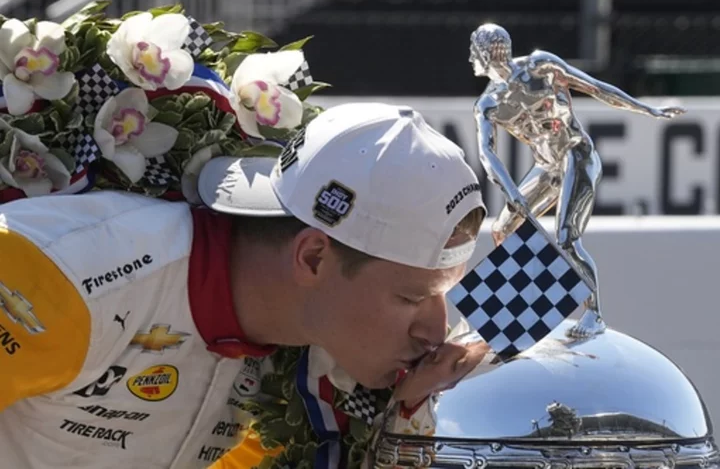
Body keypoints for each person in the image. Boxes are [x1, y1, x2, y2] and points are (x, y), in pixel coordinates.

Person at [0, 101, 490, 468]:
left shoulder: (330, 352)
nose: (436, 328)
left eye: (443, 292)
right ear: (313, 257)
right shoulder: (54, 270)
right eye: (411, 297)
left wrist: (412, 423)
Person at [469, 23, 685, 338]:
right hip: (547, 167)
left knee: (567, 237)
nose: (470, 60)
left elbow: (596, 88)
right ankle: (522, 304)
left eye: (474, 52)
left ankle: (594, 313)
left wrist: (647, 110)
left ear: (485, 53)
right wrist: (511, 192)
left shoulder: (540, 66)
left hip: (576, 155)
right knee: (503, 228)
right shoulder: (488, 104)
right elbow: (487, 155)